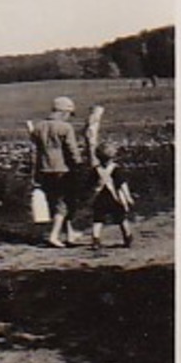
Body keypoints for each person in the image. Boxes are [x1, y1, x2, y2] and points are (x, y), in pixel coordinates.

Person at [29, 96, 83, 248]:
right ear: (63, 112)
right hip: (62, 168)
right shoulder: (65, 128)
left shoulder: (39, 127)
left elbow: (35, 150)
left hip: (44, 168)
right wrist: (78, 163)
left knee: (54, 201)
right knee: (65, 202)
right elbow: (72, 150)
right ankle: (54, 236)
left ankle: (69, 233)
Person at [91, 141, 135, 251]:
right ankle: (127, 237)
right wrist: (128, 197)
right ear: (113, 156)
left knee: (98, 220)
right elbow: (122, 184)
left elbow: (90, 185)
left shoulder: (95, 170)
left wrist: (89, 195)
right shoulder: (116, 169)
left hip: (99, 198)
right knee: (121, 218)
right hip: (115, 198)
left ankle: (96, 239)